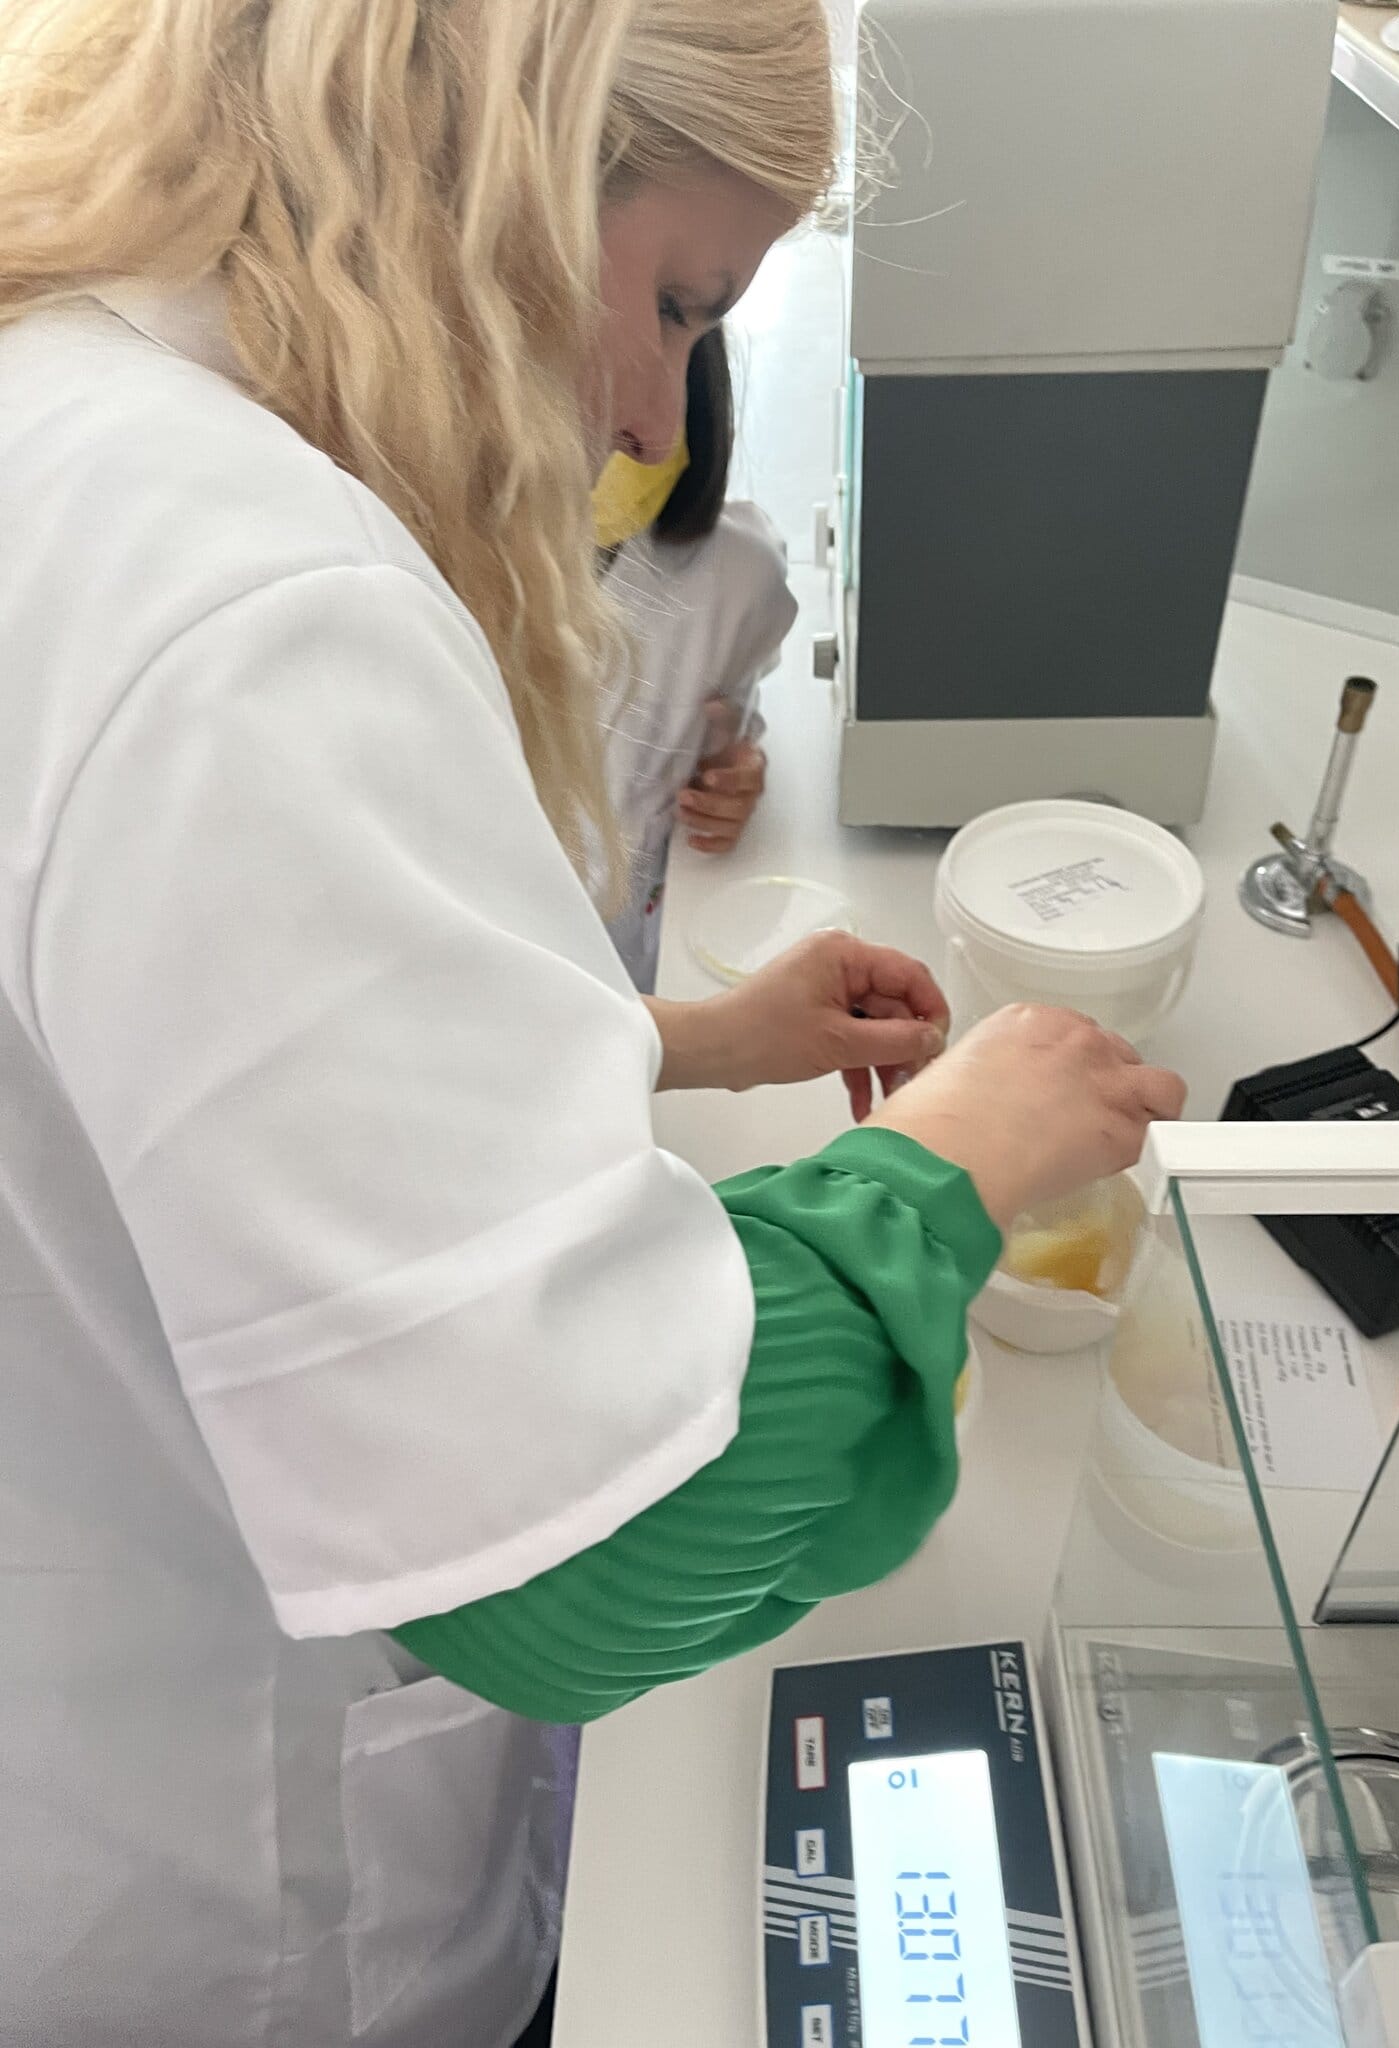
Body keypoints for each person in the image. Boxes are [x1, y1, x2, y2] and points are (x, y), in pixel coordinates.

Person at [0, 4, 1186, 2046]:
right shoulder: (255, 606)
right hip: (232, 1905)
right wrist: (940, 1168)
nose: (648, 402)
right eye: (672, 300)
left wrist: (692, 1040)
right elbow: (590, 1563)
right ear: (485, 151)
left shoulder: (67, 411)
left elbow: (187, 1083)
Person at [596, 326, 789, 989]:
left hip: (638, 964)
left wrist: (733, 767)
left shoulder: (736, 573)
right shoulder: (414, 581)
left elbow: (733, 706)